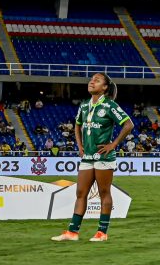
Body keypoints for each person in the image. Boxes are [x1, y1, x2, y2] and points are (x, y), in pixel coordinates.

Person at [52, 73, 133, 242]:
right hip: (87, 157)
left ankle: (102, 233)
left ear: (105, 87)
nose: (92, 81)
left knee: (104, 193)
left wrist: (113, 144)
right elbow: (77, 125)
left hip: (104, 157)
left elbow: (128, 124)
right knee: (81, 193)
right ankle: (72, 232)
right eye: (91, 79)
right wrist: (80, 146)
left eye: (97, 80)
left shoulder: (110, 106)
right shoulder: (84, 106)